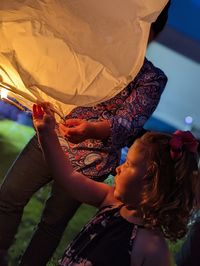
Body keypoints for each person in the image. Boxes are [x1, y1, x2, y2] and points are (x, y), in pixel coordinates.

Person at [0, 2, 171, 265]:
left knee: (52, 223)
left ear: (151, 34)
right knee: (9, 195)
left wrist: (92, 129)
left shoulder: (151, 79)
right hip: (50, 139)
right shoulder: (94, 49)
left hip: (92, 163)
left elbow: (128, 122)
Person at [32, 103, 200, 266]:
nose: (118, 169)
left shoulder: (153, 248)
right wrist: (46, 134)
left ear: (151, 181)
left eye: (128, 164)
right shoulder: (111, 201)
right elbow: (68, 177)